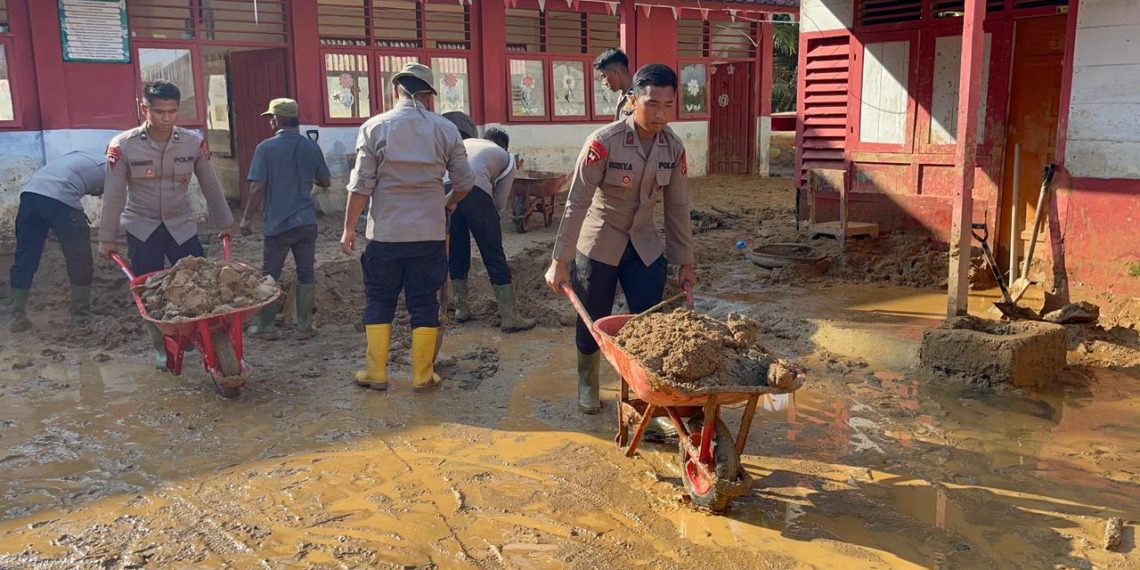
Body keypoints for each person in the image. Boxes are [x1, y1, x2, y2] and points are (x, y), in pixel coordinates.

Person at [544, 64, 697, 415]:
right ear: (632, 99)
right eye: (652, 104)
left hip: (643, 246)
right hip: (599, 242)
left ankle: (643, 393)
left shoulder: (673, 149)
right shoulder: (603, 142)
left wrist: (685, 263)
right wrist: (560, 260)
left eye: (667, 105)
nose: (660, 114)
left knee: (647, 324)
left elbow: (678, 207)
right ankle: (588, 383)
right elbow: (576, 202)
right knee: (594, 319)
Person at [341, 63, 475, 392]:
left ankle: (376, 373)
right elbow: (465, 182)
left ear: (396, 90)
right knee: (424, 303)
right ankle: (422, 375)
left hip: (385, 235)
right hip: (428, 235)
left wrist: (348, 229)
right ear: (429, 96)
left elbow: (360, 185)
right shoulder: (446, 129)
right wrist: (449, 201)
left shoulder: (375, 127)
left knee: (378, 300)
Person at [98, 80, 236, 368]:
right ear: (144, 108)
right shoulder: (123, 146)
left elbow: (210, 184)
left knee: (201, 281)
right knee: (149, 290)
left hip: (181, 225)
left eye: (172, 112)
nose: (167, 118)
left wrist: (225, 221)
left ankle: (206, 336)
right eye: (159, 112)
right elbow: (113, 195)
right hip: (142, 227)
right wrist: (106, 237)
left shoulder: (191, 142)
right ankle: (160, 346)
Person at [239, 98, 331, 341]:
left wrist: (247, 218)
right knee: (305, 272)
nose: (270, 121)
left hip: (277, 225)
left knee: (270, 274)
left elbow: (257, 187)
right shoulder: (311, 147)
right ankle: (305, 326)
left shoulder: (265, 148)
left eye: (271, 117)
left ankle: (266, 326)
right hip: (305, 222)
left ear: (277, 120)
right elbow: (325, 181)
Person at [440, 113, 535, 333]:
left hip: (445, 189)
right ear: (504, 146)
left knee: (456, 250)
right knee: (493, 253)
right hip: (474, 189)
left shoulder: (464, 143)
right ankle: (510, 316)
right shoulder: (507, 157)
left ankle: (461, 309)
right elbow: (500, 202)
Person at [8, 152, 106, 332]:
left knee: (25, 257)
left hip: (29, 197)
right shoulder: (113, 168)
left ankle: (18, 316)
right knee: (80, 258)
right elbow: (114, 203)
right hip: (60, 198)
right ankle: (81, 316)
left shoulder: (82, 157)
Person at [594, 48, 634, 122]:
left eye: (604, 76)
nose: (604, 82)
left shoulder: (640, 95)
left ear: (614, 72)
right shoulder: (622, 96)